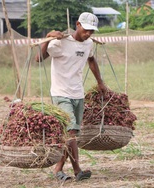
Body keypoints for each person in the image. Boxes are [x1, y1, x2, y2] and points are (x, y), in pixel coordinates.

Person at [35, 12, 107, 181]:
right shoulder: (60, 42)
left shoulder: (88, 44)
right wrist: (48, 37)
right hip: (61, 93)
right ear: (78, 25)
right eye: (86, 29)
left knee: (70, 135)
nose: (89, 34)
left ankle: (58, 169)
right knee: (71, 131)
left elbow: (91, 60)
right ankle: (77, 170)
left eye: (92, 31)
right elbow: (39, 58)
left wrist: (100, 82)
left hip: (78, 93)